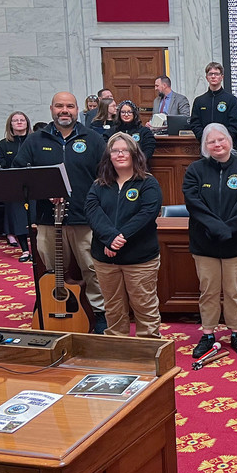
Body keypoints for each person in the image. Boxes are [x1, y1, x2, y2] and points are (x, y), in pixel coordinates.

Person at [14, 92, 108, 329]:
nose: (64, 110)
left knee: (91, 269)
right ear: (51, 109)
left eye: (69, 106)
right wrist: (44, 190)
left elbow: (106, 177)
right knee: (51, 271)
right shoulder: (36, 140)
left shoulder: (93, 139)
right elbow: (19, 175)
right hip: (48, 219)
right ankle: (52, 308)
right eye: (59, 106)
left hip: (85, 219)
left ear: (78, 110)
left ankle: (98, 313)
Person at [183, 123, 237, 358]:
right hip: (205, 242)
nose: (217, 144)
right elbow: (193, 203)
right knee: (208, 291)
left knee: (235, 292)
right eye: (211, 141)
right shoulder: (195, 170)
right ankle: (208, 334)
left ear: (230, 141)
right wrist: (216, 228)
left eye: (221, 139)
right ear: (205, 146)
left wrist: (228, 229)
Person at [85, 133, 163, 337]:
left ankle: (148, 350)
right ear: (108, 156)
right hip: (105, 259)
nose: (120, 154)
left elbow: (147, 214)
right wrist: (109, 238)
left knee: (144, 306)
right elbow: (93, 212)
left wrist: (117, 239)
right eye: (115, 151)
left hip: (139, 259)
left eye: (125, 150)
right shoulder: (99, 184)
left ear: (134, 154)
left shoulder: (148, 183)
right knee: (113, 308)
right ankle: (118, 350)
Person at [0, 111, 33, 262]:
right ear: (10, 124)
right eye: (15, 120)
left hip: (34, 185)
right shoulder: (4, 144)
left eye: (22, 120)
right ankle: (24, 250)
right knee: (18, 219)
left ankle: (36, 250)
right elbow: (0, 163)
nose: (19, 122)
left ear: (27, 122)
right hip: (14, 186)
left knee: (35, 218)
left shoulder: (34, 140)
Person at [190, 61, 237, 149]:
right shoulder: (199, 101)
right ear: (206, 77)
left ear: (222, 77)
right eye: (210, 74)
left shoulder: (232, 100)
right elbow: (195, 124)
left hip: (227, 146)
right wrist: (206, 139)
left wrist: (222, 141)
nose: (213, 76)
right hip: (206, 145)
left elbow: (234, 125)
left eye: (216, 74)